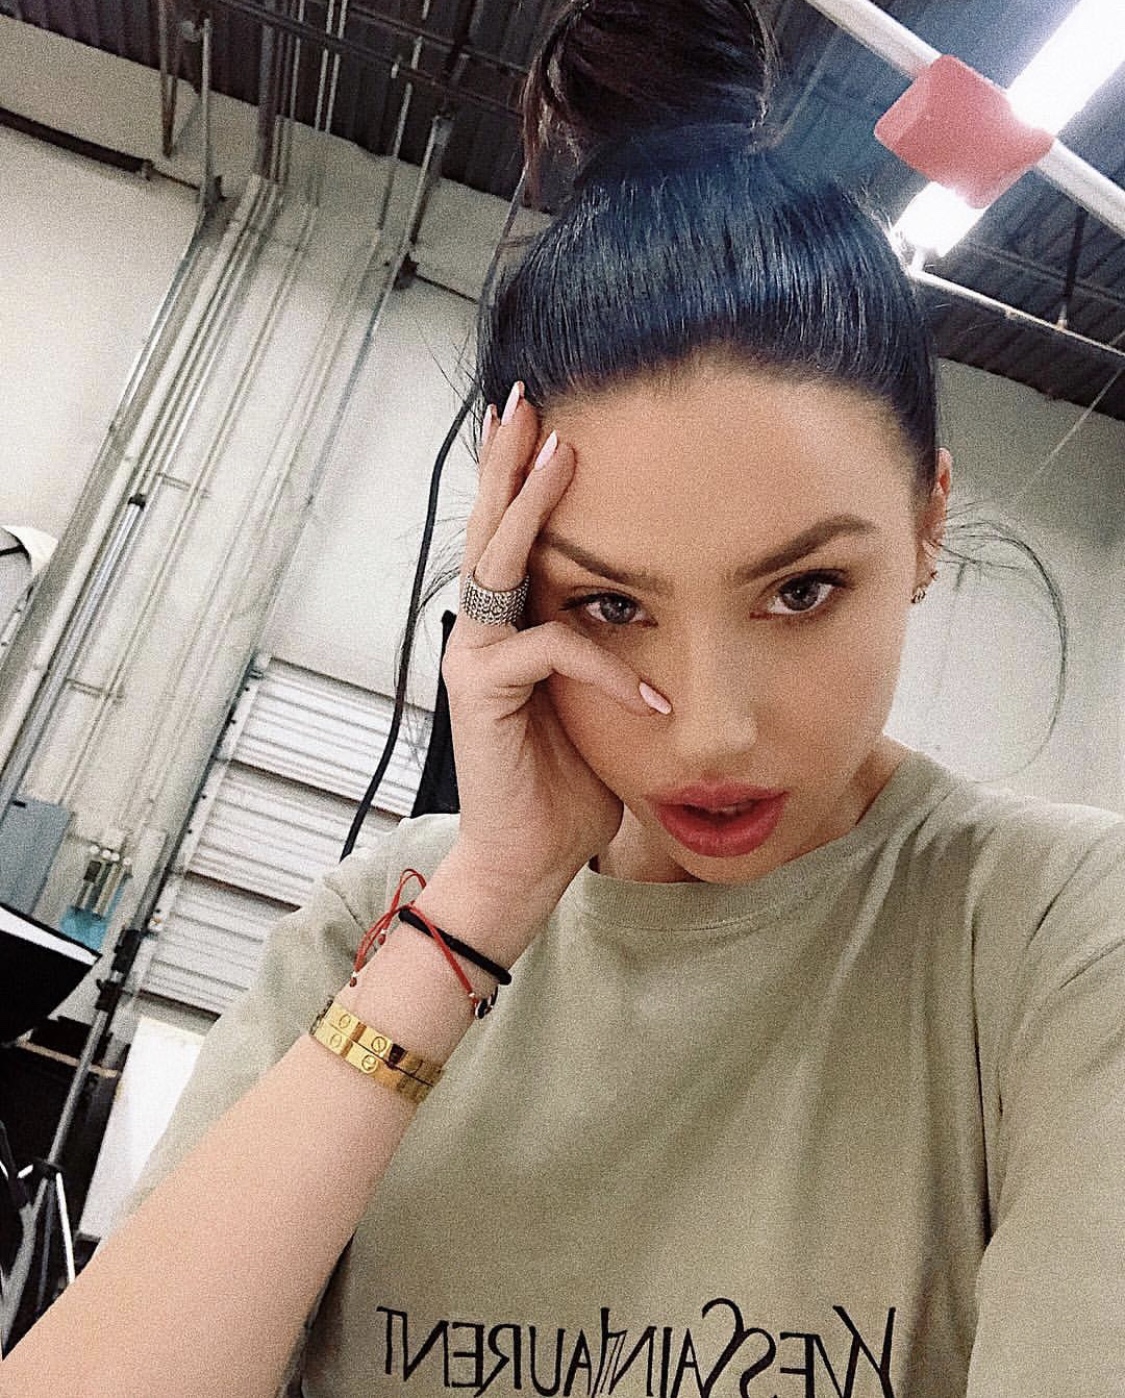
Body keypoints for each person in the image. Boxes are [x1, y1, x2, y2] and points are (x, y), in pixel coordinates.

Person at [3, 1, 1124, 1394]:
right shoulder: (378, 919)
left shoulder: (1052, 936)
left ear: (928, 521)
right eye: (610, 604)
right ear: (514, 586)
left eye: (800, 590)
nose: (710, 728)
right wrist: (476, 914)